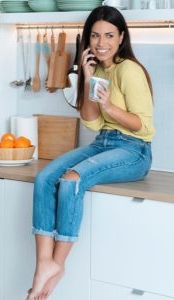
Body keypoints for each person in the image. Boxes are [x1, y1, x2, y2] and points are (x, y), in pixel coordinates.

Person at [27, 5, 155, 300]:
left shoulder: (130, 70)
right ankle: (43, 264)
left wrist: (110, 106)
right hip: (103, 143)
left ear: (121, 37)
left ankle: (58, 264)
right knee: (45, 177)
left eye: (109, 35)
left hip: (135, 150)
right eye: (95, 36)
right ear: (87, 39)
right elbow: (92, 121)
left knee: (71, 179)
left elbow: (143, 126)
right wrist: (85, 76)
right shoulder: (97, 69)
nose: (101, 43)